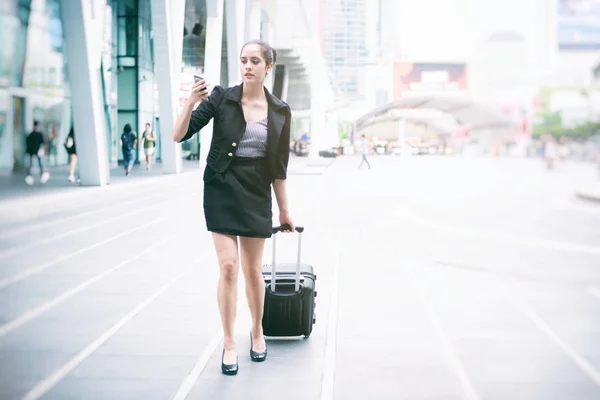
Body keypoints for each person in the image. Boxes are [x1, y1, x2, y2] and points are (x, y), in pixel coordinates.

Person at [173, 39, 294, 376]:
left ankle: (256, 331)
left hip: (256, 192)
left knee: (253, 271)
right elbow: (178, 134)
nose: (247, 66)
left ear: (269, 66)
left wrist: (284, 210)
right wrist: (189, 103)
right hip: (221, 189)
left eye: (255, 61)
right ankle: (229, 341)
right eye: (243, 60)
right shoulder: (222, 98)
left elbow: (279, 168)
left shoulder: (281, 111)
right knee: (228, 267)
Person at [25, 120, 50, 185]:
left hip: (34, 150)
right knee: (34, 163)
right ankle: (31, 175)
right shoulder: (36, 134)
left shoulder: (33, 134)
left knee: (36, 163)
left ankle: (32, 174)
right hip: (34, 150)